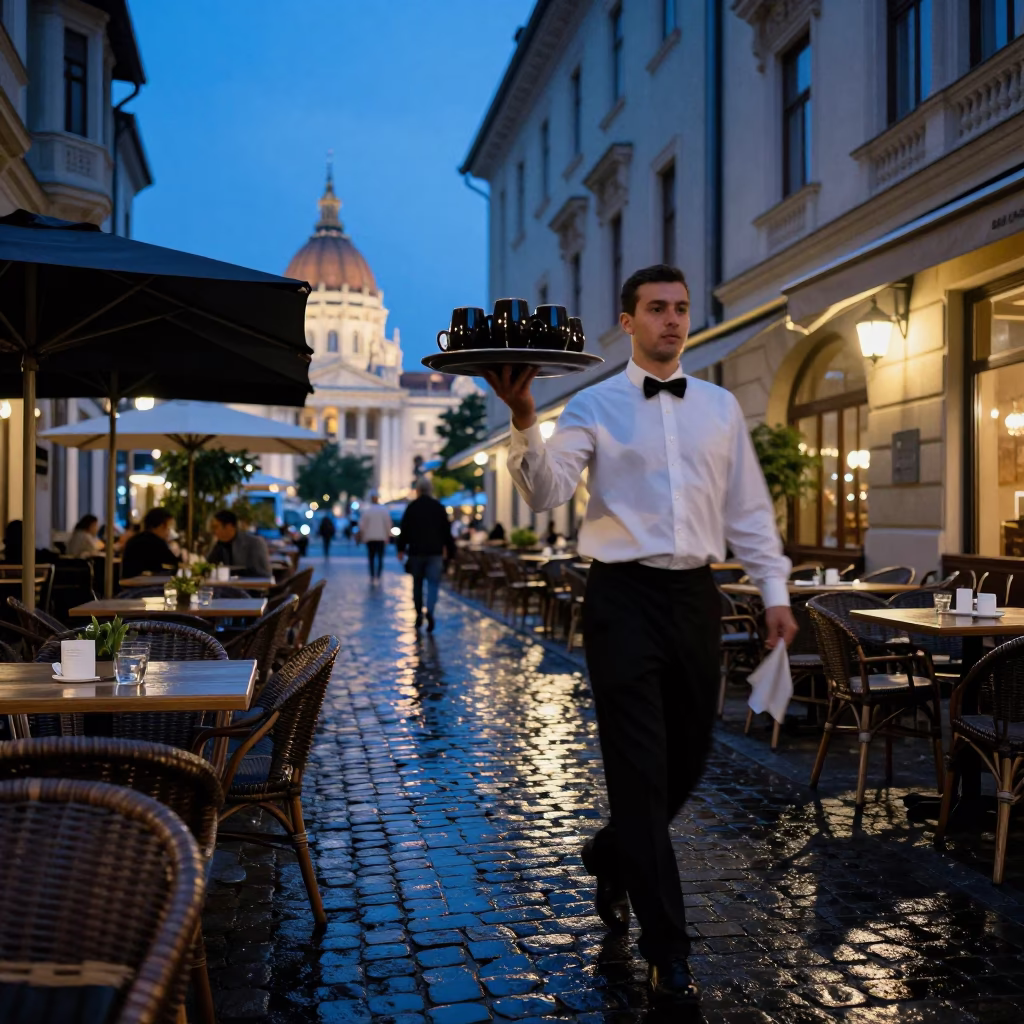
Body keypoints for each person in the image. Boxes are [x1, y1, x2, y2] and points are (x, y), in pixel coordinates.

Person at [485, 264, 797, 1008]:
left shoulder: (720, 407)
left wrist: (776, 591)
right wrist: (526, 416)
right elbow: (548, 490)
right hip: (620, 596)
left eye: (681, 309)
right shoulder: (592, 404)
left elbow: (749, 509)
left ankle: (608, 851)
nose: (673, 321)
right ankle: (669, 952)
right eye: (657, 309)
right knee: (638, 773)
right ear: (627, 321)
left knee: (690, 755)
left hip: (695, 594)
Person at [396, 478, 455, 633]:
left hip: (416, 552)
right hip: (435, 552)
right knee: (433, 584)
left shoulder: (412, 507)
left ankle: (418, 613)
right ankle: (430, 609)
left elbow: (405, 530)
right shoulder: (438, 507)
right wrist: (450, 550)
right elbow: (446, 532)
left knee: (417, 584)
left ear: (418, 490)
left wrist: (401, 549)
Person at [207, 509, 272, 578]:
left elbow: (264, 574)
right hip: (226, 587)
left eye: (216, 527)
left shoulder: (254, 543)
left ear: (229, 527)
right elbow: (208, 567)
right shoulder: (219, 545)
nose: (213, 531)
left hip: (250, 587)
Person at [121, 507, 180, 579]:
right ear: (161, 526)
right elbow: (173, 566)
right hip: (144, 587)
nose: (168, 532)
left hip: (129, 586)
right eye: (168, 528)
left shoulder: (135, 540)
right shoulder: (156, 543)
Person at [358, 494, 392, 580]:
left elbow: (362, 525)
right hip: (381, 537)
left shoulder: (367, 511)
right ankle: (379, 574)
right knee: (380, 557)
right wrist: (388, 535)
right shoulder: (384, 510)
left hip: (370, 538)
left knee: (371, 557)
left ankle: (372, 574)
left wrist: (363, 535)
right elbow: (388, 524)